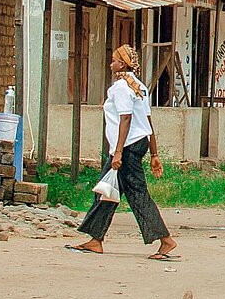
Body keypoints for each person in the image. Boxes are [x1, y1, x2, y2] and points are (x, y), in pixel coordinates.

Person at [67, 44, 179, 260]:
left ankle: (165, 240)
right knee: (108, 190)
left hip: (126, 148)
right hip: (138, 143)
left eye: (114, 60)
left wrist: (117, 153)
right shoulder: (139, 86)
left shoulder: (120, 88)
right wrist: (154, 154)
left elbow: (126, 118)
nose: (111, 64)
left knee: (135, 194)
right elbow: (147, 120)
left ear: (122, 64)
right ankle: (95, 239)